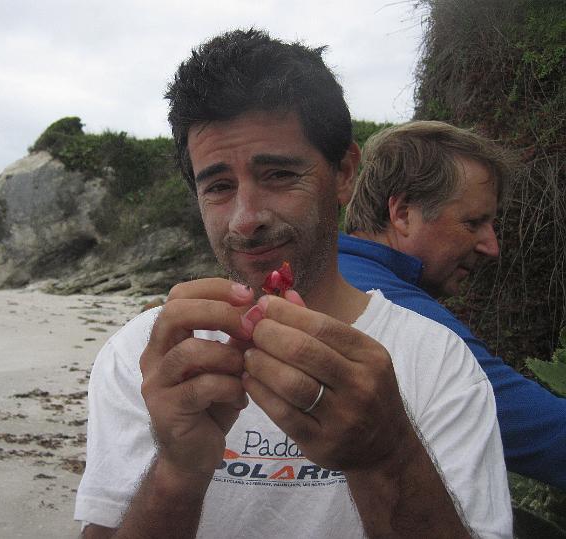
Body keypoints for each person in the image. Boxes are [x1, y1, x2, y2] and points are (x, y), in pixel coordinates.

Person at [75, 30, 512, 538]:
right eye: (218, 186)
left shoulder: (437, 361)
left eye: (279, 174)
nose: (245, 219)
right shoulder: (147, 355)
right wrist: (177, 470)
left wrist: (387, 455)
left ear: (345, 173)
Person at [340, 120, 566, 490]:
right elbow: (544, 434)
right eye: (473, 222)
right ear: (403, 214)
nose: (491, 246)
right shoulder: (394, 308)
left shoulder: (334, 272)